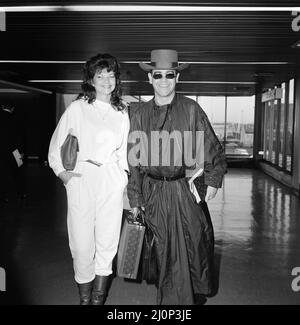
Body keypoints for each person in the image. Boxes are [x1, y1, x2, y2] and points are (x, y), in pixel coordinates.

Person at [127, 49, 227, 305]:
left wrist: (213, 180)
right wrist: (136, 198)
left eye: (169, 75)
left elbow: (211, 146)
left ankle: (189, 299)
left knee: (194, 245)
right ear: (150, 78)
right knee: (162, 252)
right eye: (157, 75)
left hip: (184, 191)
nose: (163, 80)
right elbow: (135, 161)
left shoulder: (192, 109)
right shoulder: (138, 114)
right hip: (153, 192)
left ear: (177, 78)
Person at [48, 53, 129, 305]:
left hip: (111, 180)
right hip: (82, 179)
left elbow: (125, 151)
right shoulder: (78, 108)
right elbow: (55, 146)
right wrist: (64, 175)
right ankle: (84, 299)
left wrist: (124, 180)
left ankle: (96, 301)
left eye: (111, 74)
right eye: (100, 75)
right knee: (82, 246)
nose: (106, 80)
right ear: (91, 80)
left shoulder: (122, 111)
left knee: (107, 243)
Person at [0, 103, 26, 203]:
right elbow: (20, 137)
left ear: (2, 107)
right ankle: (21, 193)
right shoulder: (16, 119)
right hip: (15, 151)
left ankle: (3, 196)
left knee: (2, 173)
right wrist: (22, 152)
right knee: (18, 173)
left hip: (1, 151)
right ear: (12, 108)